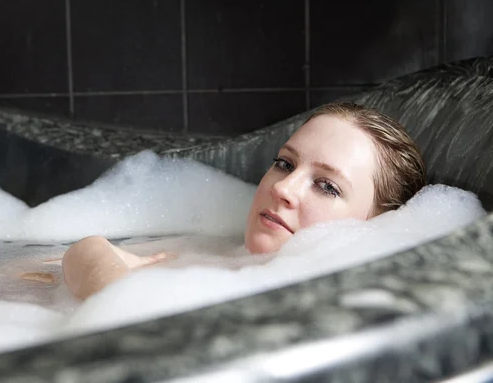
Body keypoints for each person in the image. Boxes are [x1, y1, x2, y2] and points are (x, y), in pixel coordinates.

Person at [60, 102, 427, 300]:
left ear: (379, 228)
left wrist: (102, 275)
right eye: (285, 163)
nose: (283, 188)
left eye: (327, 186)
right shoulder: (211, 261)